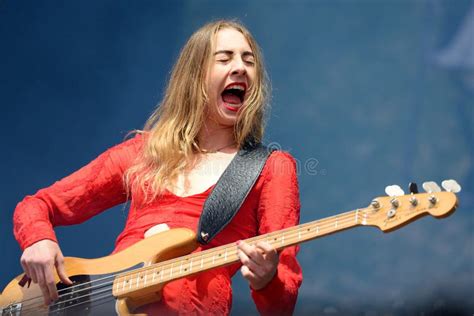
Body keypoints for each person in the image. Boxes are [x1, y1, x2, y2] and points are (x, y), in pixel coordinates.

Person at [13, 20, 302, 315]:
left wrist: (267, 279)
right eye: (225, 58)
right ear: (194, 76)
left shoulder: (271, 168)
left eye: (249, 60)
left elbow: (282, 305)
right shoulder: (143, 153)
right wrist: (38, 239)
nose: (240, 67)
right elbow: (37, 205)